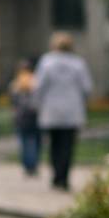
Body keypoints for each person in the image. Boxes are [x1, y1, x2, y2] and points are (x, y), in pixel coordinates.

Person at [34, 31, 93, 190]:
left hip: (51, 111)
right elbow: (87, 88)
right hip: (72, 111)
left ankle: (56, 176)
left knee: (54, 145)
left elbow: (39, 87)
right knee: (67, 146)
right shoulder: (78, 63)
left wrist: (37, 104)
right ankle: (64, 178)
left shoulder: (46, 62)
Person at [10, 59, 40, 177]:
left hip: (21, 117)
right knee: (35, 142)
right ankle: (33, 165)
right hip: (35, 116)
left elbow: (14, 103)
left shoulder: (15, 83)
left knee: (24, 142)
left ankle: (27, 165)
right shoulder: (36, 82)